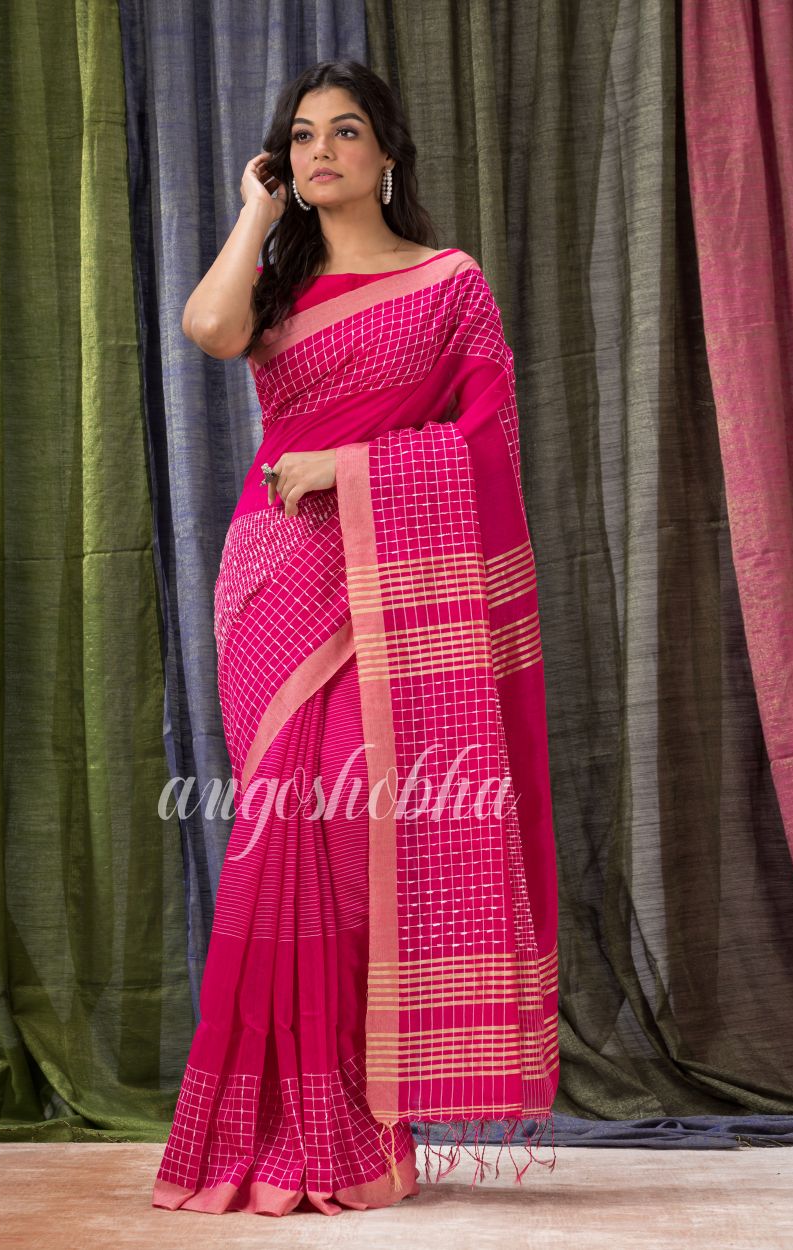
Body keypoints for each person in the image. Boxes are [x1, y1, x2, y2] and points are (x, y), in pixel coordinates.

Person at [152, 58, 559, 1218]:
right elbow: (209, 327)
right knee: (276, 840)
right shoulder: (274, 286)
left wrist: (349, 465)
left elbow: (484, 443)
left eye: (344, 132)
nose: (321, 151)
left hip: (390, 583)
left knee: (350, 853)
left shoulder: (447, 283)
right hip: (274, 579)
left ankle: (354, 1127)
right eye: (302, 136)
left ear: (386, 153)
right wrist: (256, 209)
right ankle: (272, 1131)